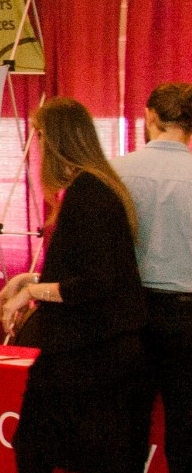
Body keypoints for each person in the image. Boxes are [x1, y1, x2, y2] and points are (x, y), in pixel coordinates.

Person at [0, 97, 151, 473]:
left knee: (38, 449)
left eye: (38, 136)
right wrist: (29, 279)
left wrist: (32, 292)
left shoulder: (89, 194)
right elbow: (87, 272)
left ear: (53, 141)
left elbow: (94, 284)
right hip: (97, 352)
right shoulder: (95, 189)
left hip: (91, 356)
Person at [112, 82, 192, 473]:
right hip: (187, 316)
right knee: (186, 429)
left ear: (150, 117)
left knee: (125, 425)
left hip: (128, 313)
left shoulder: (115, 172)